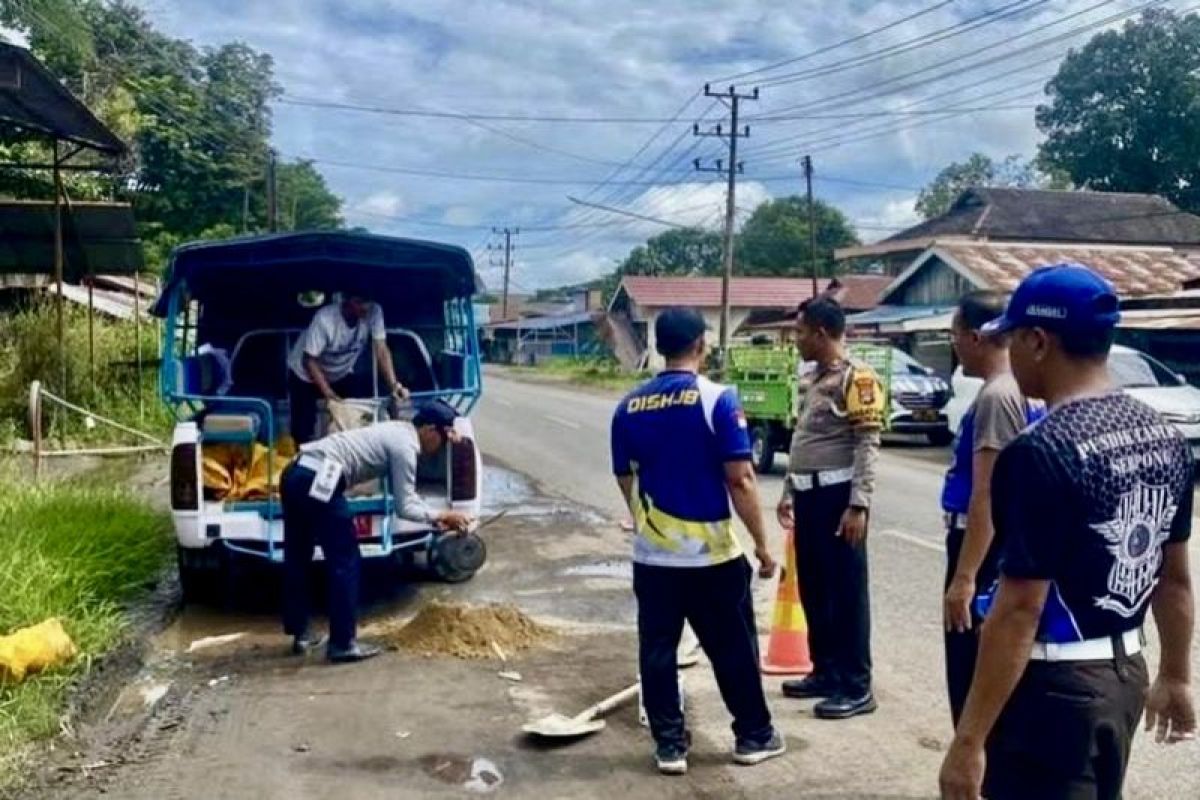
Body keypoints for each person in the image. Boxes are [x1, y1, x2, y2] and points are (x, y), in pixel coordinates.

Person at [940, 264, 1196, 800]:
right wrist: (1174, 674)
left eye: (1011, 338)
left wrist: (968, 743)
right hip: (1124, 676)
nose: (1007, 352)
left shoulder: (1041, 451)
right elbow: (1174, 580)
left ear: (1037, 341)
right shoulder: (1166, 438)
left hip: (1052, 695)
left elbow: (1018, 609)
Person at [610, 306, 785, 776]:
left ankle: (670, 746)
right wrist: (764, 547)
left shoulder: (628, 407)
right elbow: (741, 479)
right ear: (700, 346)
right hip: (712, 559)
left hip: (654, 558)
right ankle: (753, 735)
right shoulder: (718, 400)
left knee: (658, 650)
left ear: (659, 346)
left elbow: (625, 479)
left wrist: (645, 523)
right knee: (732, 647)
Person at [281, 399, 473, 663]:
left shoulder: (397, 430)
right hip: (319, 478)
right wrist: (442, 514)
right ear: (429, 430)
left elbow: (406, 501)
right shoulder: (406, 446)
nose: (440, 447)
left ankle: (300, 632)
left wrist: (435, 518)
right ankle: (342, 643)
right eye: (442, 438)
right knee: (345, 560)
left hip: (295, 471)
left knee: (298, 555)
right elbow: (405, 506)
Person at [777, 297, 885, 720]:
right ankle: (825, 670)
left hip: (839, 499)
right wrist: (788, 489)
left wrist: (859, 504)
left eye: (801, 331)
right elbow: (803, 440)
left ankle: (857, 685)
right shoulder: (816, 378)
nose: (796, 339)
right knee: (815, 589)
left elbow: (867, 444)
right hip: (809, 496)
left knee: (847, 594)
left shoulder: (858, 379)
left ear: (821, 333)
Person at [940, 291, 1044, 725]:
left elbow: (986, 494)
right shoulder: (1023, 391)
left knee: (969, 669)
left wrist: (964, 579)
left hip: (982, 546)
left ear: (977, 337)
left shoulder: (997, 397)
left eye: (955, 335)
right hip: (1004, 543)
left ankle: (974, 771)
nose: (954, 345)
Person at [288, 295, 409, 444]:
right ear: (347, 302)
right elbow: (309, 360)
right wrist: (329, 394)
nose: (365, 307)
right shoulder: (325, 319)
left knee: (363, 402)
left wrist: (394, 385)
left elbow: (381, 350)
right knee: (303, 426)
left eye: (368, 302)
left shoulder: (374, 311)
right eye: (359, 302)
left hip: (340, 372)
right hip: (304, 374)